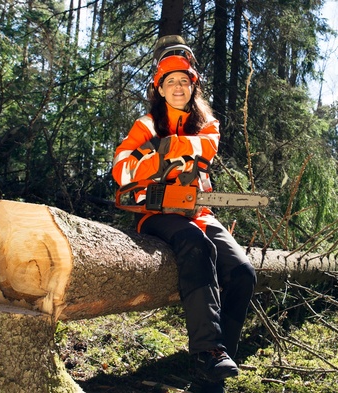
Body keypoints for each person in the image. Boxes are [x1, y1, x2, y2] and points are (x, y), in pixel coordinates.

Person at [111, 35, 256, 384]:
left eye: (184, 81)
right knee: (196, 245)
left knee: (243, 272)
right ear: (159, 88)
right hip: (156, 214)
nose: (178, 87)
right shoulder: (146, 125)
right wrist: (155, 160)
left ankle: (219, 363)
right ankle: (206, 352)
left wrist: (172, 148)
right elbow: (120, 167)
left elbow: (206, 147)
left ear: (193, 86)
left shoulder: (206, 122)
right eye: (170, 81)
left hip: (197, 211)